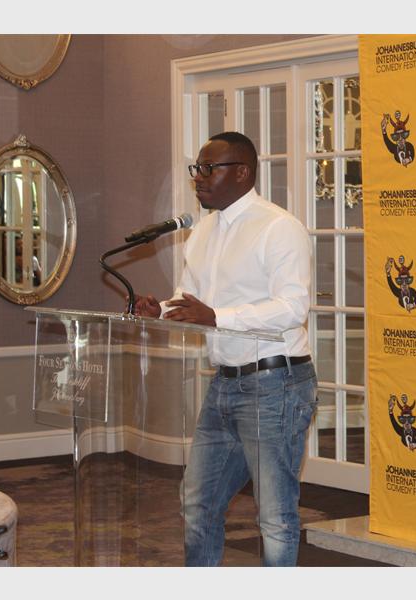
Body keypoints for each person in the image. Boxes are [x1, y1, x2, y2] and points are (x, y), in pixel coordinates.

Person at [133, 131, 317, 567]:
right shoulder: (202, 232)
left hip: (276, 384)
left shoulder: (278, 228)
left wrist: (218, 316)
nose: (198, 178)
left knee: (274, 516)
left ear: (242, 173)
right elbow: (191, 301)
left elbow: (293, 307)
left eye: (208, 169)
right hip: (224, 385)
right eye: (196, 169)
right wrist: (160, 310)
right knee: (197, 504)